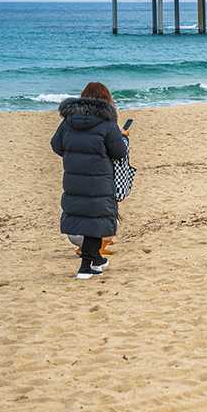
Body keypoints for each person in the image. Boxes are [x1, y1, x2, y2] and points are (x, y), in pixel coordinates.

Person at [51, 82, 129, 279]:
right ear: (106, 99)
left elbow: (56, 145)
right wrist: (123, 137)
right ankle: (85, 268)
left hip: (74, 178)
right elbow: (119, 153)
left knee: (83, 218)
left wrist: (76, 155)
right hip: (99, 179)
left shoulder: (68, 121)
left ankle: (97, 261)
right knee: (95, 221)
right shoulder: (108, 124)